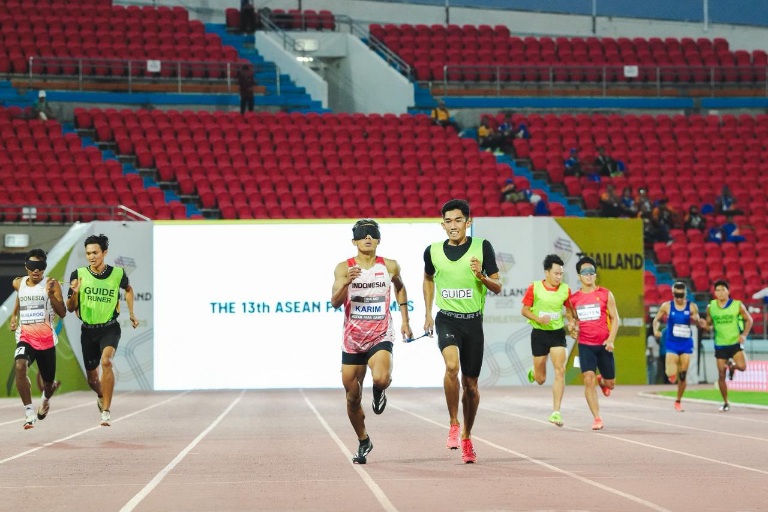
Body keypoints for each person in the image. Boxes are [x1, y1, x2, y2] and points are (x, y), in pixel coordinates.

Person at [422, 199, 502, 463]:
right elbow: (428, 278)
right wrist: (427, 313)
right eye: (448, 221)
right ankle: (454, 423)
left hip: (473, 322)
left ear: (469, 222)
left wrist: (481, 276)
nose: (453, 225)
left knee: (471, 385)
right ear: (442, 224)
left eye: (458, 220)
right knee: (451, 366)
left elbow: (498, 286)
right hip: (447, 319)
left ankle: (467, 436)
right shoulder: (432, 251)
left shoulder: (482, 247)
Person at [331, 219, 412, 465]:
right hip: (353, 340)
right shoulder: (344, 268)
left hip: (380, 334)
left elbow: (400, 288)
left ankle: (379, 391)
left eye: (372, 234)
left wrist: (405, 320)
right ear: (354, 241)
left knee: (381, 378)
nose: (367, 237)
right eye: (363, 234)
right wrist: (347, 283)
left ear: (378, 239)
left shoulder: (390, 266)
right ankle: (363, 440)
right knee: (352, 398)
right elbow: (335, 302)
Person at [66, 234, 139, 427]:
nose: (91, 257)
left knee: (107, 361)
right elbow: (70, 308)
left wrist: (131, 312)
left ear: (104, 252)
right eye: (88, 253)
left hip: (109, 328)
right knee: (92, 379)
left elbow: (128, 289)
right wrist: (74, 293)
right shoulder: (78, 274)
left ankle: (106, 411)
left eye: (95, 253)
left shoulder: (118, 274)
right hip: (88, 331)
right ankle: (100, 394)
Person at [9, 249, 65, 429]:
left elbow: (63, 312)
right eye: (33, 266)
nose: (36, 270)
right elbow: (20, 297)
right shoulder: (18, 283)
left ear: (44, 267)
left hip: (46, 340)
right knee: (20, 366)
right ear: (26, 266)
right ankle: (29, 412)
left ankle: (45, 400)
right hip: (25, 337)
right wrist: (14, 315)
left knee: (48, 384)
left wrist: (50, 295)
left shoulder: (52, 284)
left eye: (40, 266)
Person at [521, 254, 573, 427]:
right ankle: (534, 371)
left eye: (561, 273)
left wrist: (572, 323)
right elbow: (524, 310)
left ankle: (556, 412)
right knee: (541, 379)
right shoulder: (535, 287)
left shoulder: (565, 289)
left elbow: (570, 310)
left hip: (557, 333)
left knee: (560, 370)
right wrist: (538, 319)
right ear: (547, 272)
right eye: (556, 273)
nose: (559, 277)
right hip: (539, 334)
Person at [567, 256, 619, 430]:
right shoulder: (574, 299)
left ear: (595, 275)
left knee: (611, 384)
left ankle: (602, 381)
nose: (588, 275)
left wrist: (611, 339)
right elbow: (571, 318)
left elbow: (615, 318)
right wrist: (572, 328)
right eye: (584, 272)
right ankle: (597, 418)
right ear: (579, 276)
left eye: (591, 272)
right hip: (585, 345)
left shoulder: (605, 294)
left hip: (604, 345)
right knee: (588, 379)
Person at [701, 280, 753, 412]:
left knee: (742, 367)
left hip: (734, 342)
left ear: (728, 291)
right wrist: (704, 326)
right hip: (720, 344)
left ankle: (732, 366)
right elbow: (709, 325)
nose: (720, 293)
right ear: (714, 292)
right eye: (717, 290)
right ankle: (725, 402)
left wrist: (744, 335)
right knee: (721, 374)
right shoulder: (711, 307)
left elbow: (749, 320)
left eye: (723, 290)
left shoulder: (737, 305)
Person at [651, 282, 702, 411]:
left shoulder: (692, 307)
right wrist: (656, 330)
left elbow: (698, 322)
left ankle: (678, 400)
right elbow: (656, 319)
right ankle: (671, 375)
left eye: (681, 295)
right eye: (676, 295)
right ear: (673, 294)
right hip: (672, 344)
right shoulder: (667, 306)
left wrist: (697, 320)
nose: (679, 298)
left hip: (686, 344)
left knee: (683, 376)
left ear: (685, 294)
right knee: (671, 373)